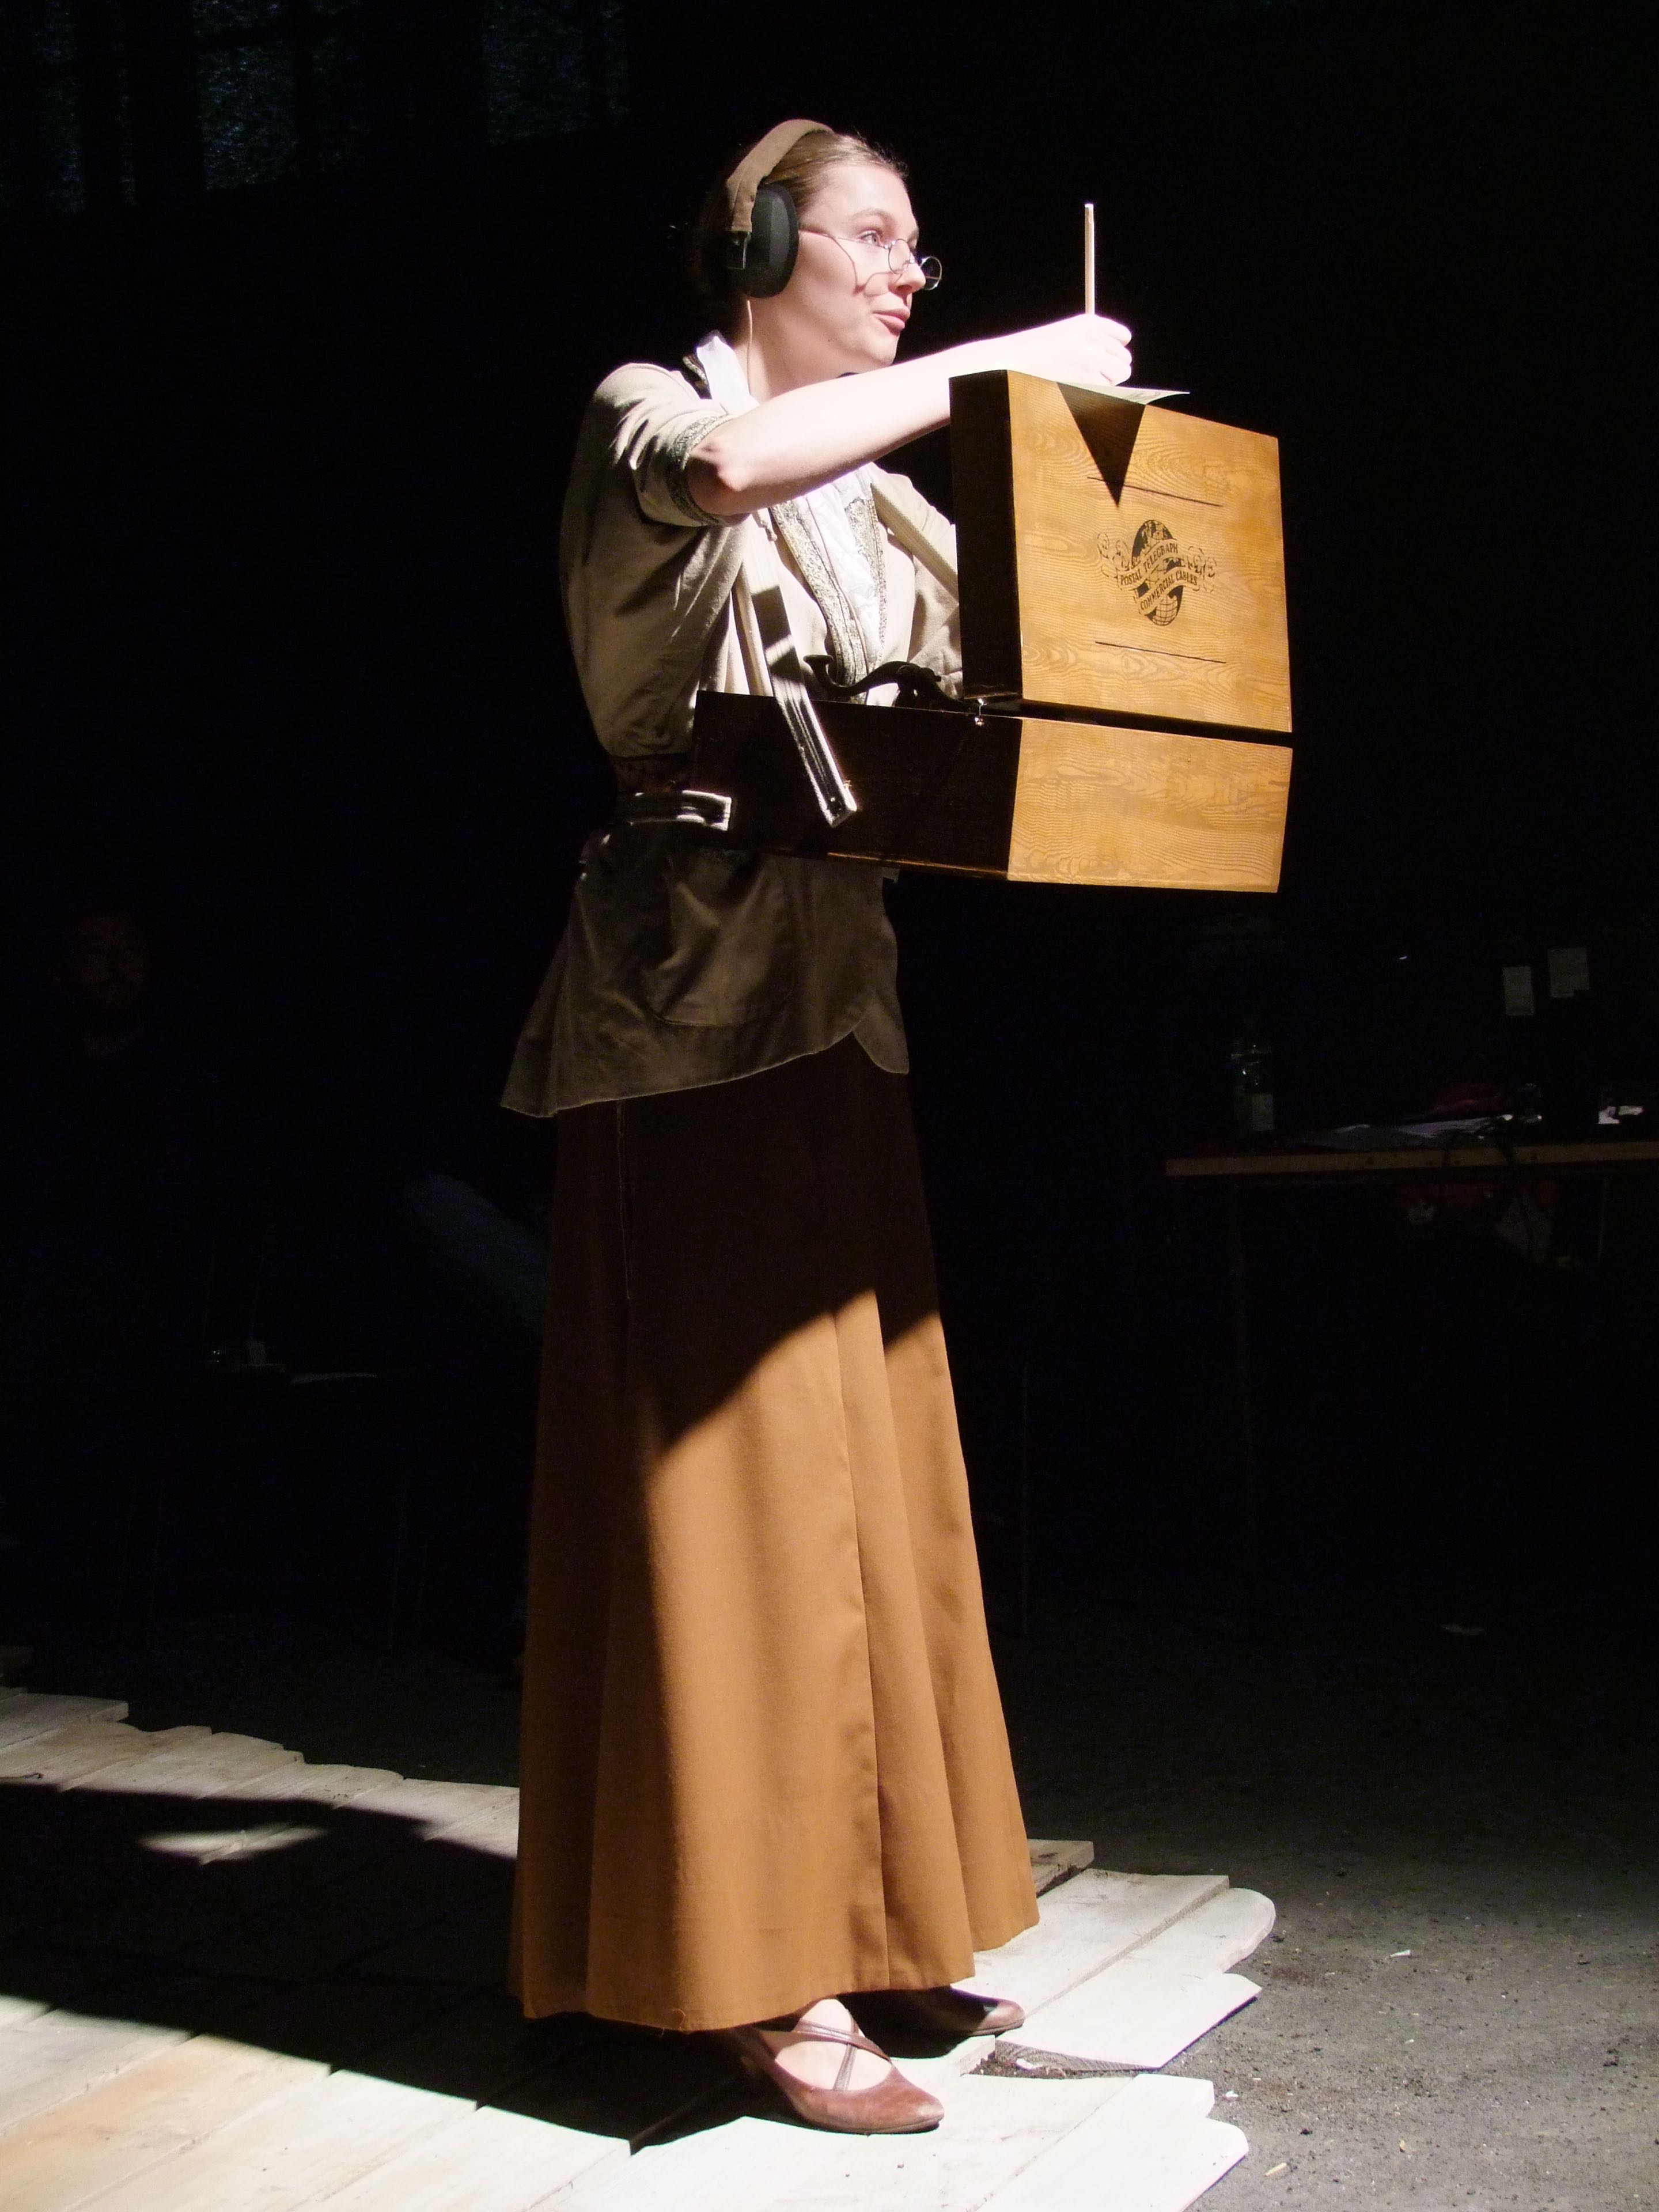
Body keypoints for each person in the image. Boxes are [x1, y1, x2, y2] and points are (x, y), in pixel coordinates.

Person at [504, 120, 1134, 2135]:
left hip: (840, 1014)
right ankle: (753, 1964)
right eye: (871, 234)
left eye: (920, 248)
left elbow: (1027, 674)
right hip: (686, 1027)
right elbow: (719, 477)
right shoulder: (652, 409)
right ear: (761, 239)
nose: (905, 270)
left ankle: (875, 1912)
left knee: (872, 1487)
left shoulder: (881, 498)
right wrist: (1002, 366)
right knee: (741, 1509)